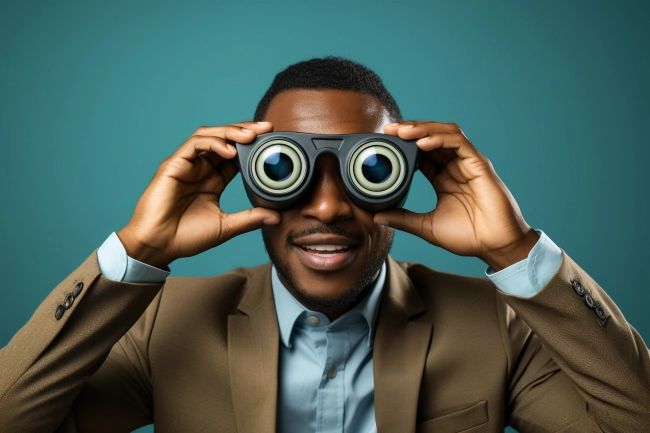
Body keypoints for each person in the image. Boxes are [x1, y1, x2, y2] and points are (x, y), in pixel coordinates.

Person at [0, 56, 648, 433]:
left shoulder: (495, 322)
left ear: (405, 174)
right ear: (247, 173)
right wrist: (140, 249)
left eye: (370, 171)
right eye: (286, 169)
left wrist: (514, 253)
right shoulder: (169, 319)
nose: (330, 205)